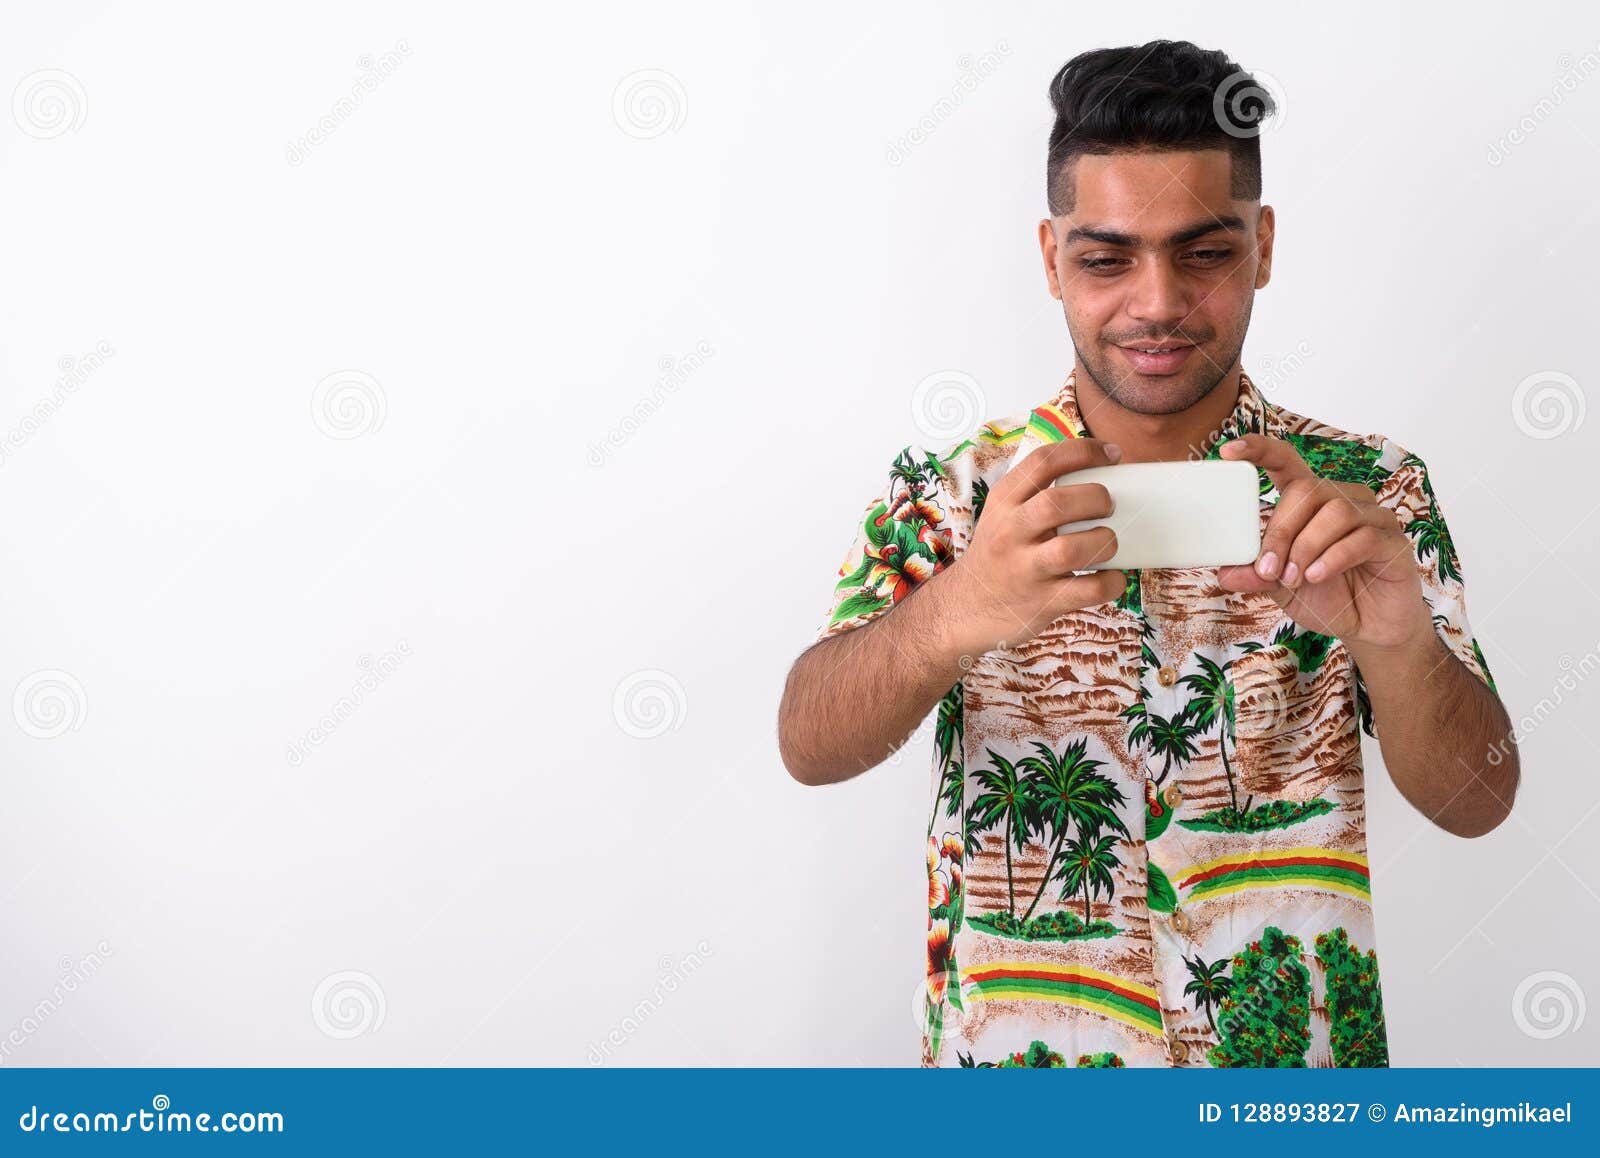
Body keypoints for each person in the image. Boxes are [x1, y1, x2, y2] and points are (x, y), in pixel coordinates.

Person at [776, 39, 1519, 1068]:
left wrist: (1397, 642)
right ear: (1050, 258)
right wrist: (961, 608)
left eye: (1203, 252)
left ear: (1261, 245)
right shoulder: (951, 492)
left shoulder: (1368, 494)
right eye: (1106, 256)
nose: (1158, 301)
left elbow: (1479, 802)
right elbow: (809, 746)